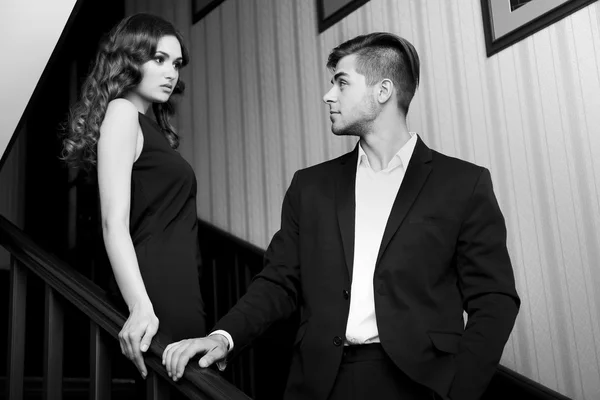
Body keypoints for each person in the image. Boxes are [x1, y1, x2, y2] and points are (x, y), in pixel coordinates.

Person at [162, 32, 520, 400]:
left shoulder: (462, 183)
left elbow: (494, 300)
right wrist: (223, 337)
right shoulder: (311, 186)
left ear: (383, 91)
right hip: (319, 384)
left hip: (420, 385)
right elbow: (278, 281)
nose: (328, 95)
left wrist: (459, 392)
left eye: (341, 82)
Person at [62, 13, 206, 385]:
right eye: (158, 60)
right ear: (130, 59)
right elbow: (113, 223)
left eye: (175, 64)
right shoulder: (122, 113)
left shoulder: (150, 127)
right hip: (153, 290)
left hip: (179, 287)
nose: (171, 73)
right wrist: (140, 304)